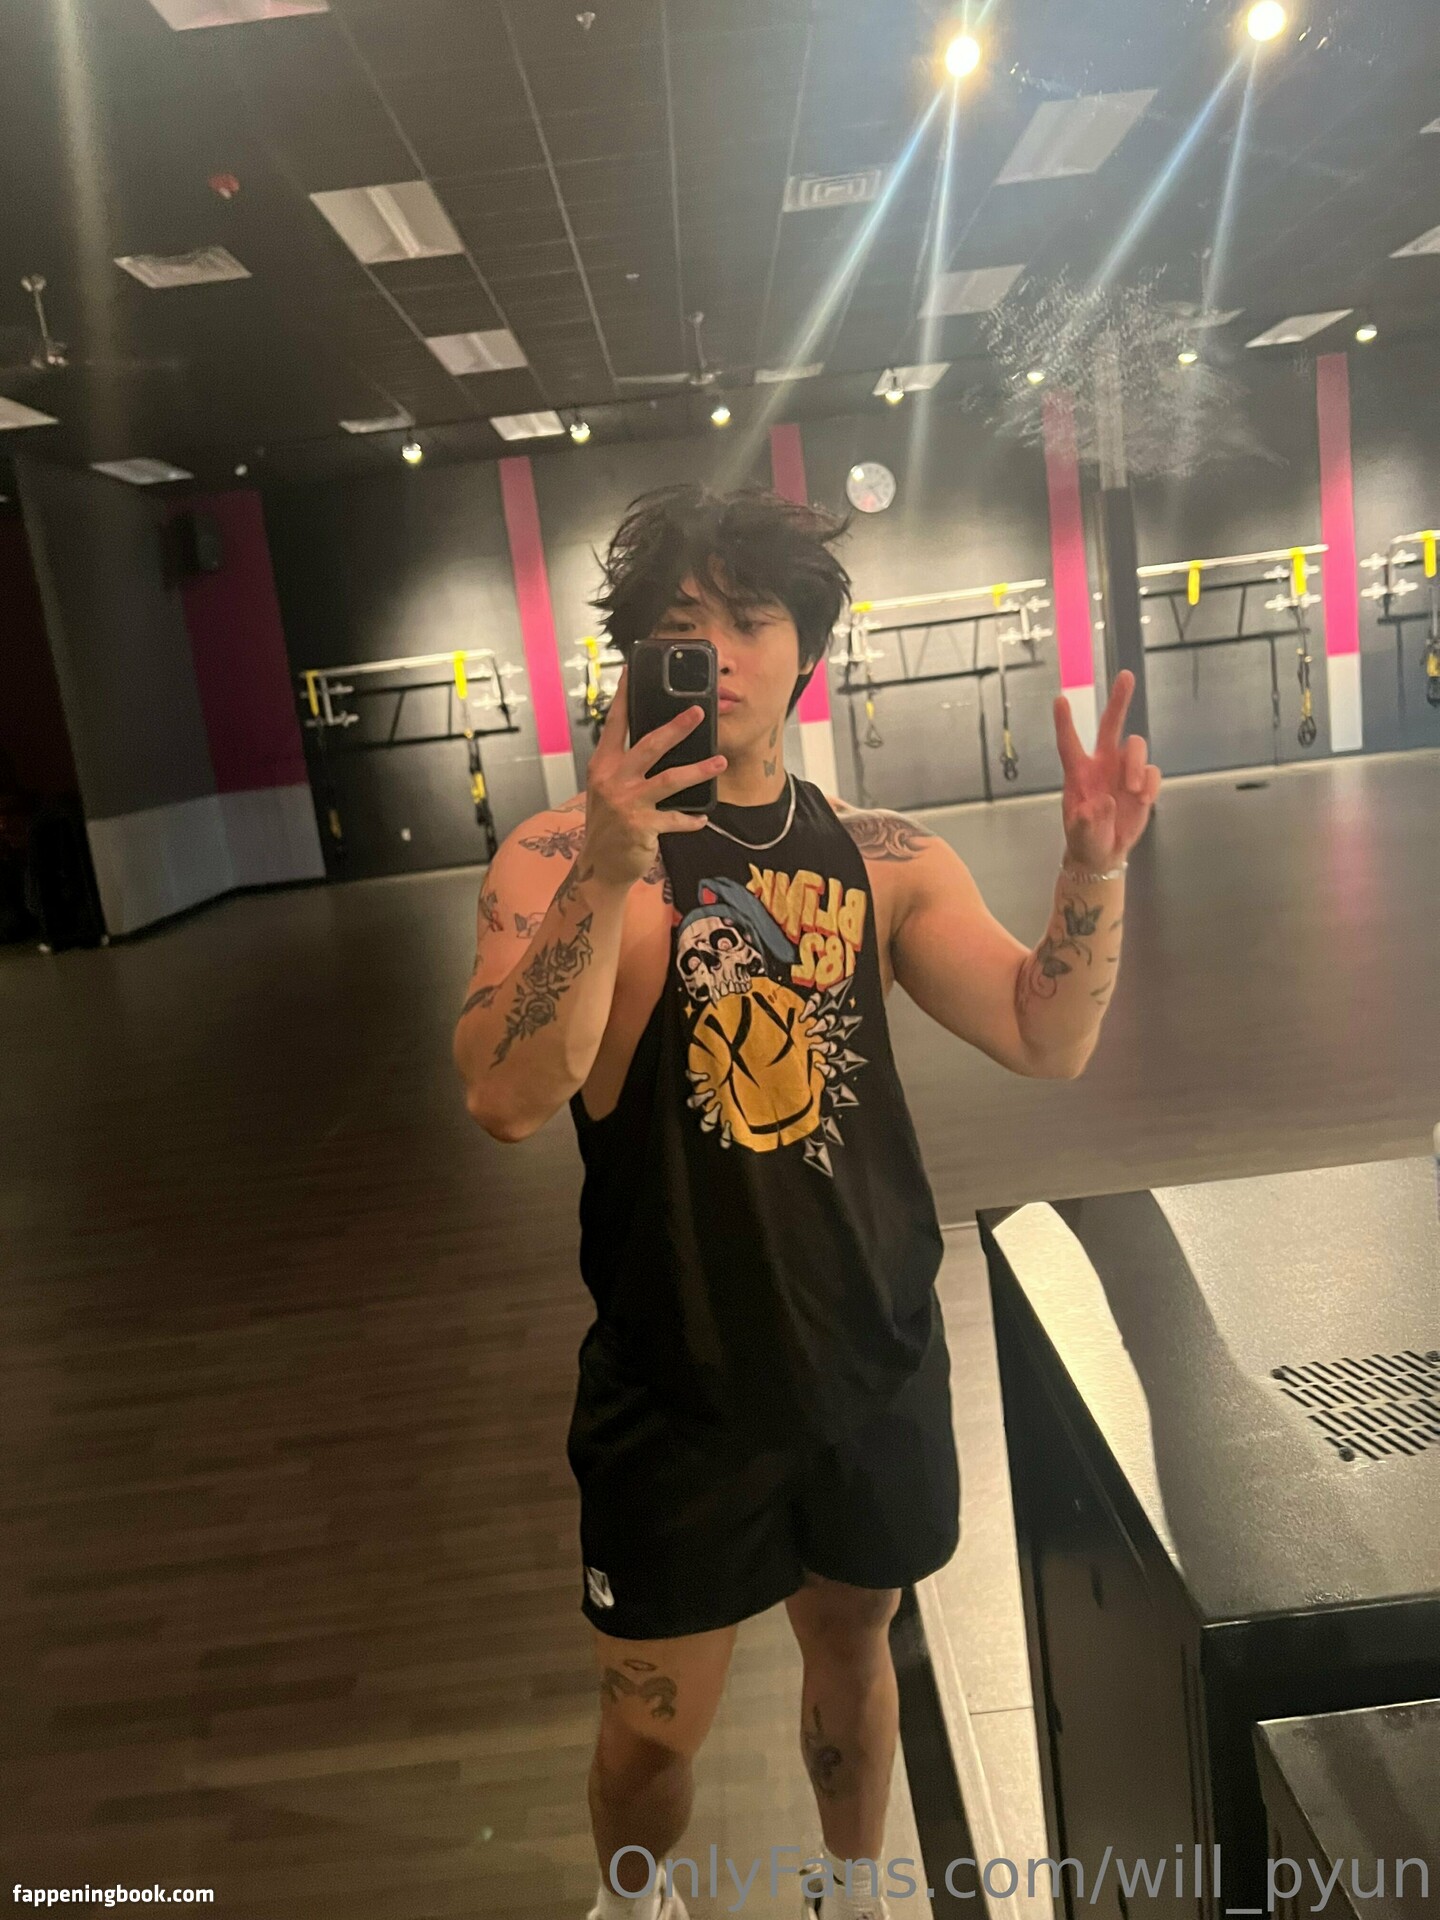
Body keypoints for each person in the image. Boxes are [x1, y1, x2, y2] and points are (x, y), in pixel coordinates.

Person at [452, 485, 1162, 1920]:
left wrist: (1092, 873)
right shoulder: (552, 857)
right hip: (677, 1389)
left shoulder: (887, 858)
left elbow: (1047, 1034)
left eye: (749, 617)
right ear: (635, 659)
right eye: (681, 626)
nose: (716, 650)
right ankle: (637, 1904)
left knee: (856, 1644)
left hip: (866, 1361)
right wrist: (607, 872)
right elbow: (508, 1096)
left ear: (806, 653)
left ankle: (851, 1888)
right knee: (650, 1730)